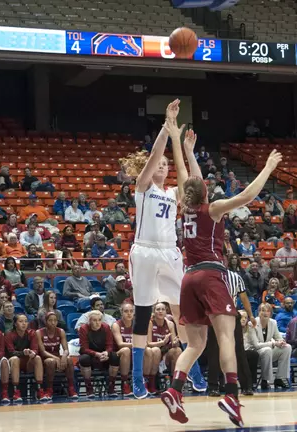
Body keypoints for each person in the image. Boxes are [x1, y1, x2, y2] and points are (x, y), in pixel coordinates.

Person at [159, 128, 282, 427]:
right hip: (211, 275)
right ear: (205, 190)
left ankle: (175, 389)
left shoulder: (185, 209)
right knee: (227, 335)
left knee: (195, 344)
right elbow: (248, 195)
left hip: (188, 278)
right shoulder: (212, 209)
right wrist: (267, 167)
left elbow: (190, 178)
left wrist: (187, 151)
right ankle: (231, 394)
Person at [119, 100, 188, 399]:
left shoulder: (173, 193)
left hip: (170, 251)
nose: (162, 164)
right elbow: (153, 158)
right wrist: (166, 126)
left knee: (181, 311)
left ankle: (190, 371)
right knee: (143, 312)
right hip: (145, 250)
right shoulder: (143, 187)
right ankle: (137, 378)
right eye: (159, 162)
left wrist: (178, 144)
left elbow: (188, 184)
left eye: (166, 164)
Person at [36, 312, 77, 400]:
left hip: (57, 358)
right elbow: (42, 352)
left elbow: (66, 350)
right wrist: (56, 358)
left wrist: (64, 357)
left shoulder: (61, 331)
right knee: (51, 361)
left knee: (69, 360)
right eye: (50, 320)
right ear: (46, 322)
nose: (53, 322)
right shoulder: (39, 332)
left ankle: (71, 388)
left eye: (55, 320)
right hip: (44, 359)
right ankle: (49, 389)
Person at [5, 314, 44, 402]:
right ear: (15, 324)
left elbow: (35, 349)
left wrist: (32, 353)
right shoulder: (9, 334)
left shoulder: (32, 333)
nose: (24, 324)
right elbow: (11, 352)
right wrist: (23, 352)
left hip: (27, 362)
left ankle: (39, 390)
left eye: (26, 321)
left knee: (37, 358)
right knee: (15, 359)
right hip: (14, 362)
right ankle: (16, 391)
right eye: (21, 321)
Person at [111, 302, 135, 397]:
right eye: (126, 311)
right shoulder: (116, 325)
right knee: (126, 350)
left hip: (134, 353)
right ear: (121, 313)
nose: (129, 313)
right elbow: (120, 344)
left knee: (149, 351)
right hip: (118, 354)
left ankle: (147, 382)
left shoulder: (136, 325)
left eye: (131, 311)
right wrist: (137, 344)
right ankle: (124, 383)